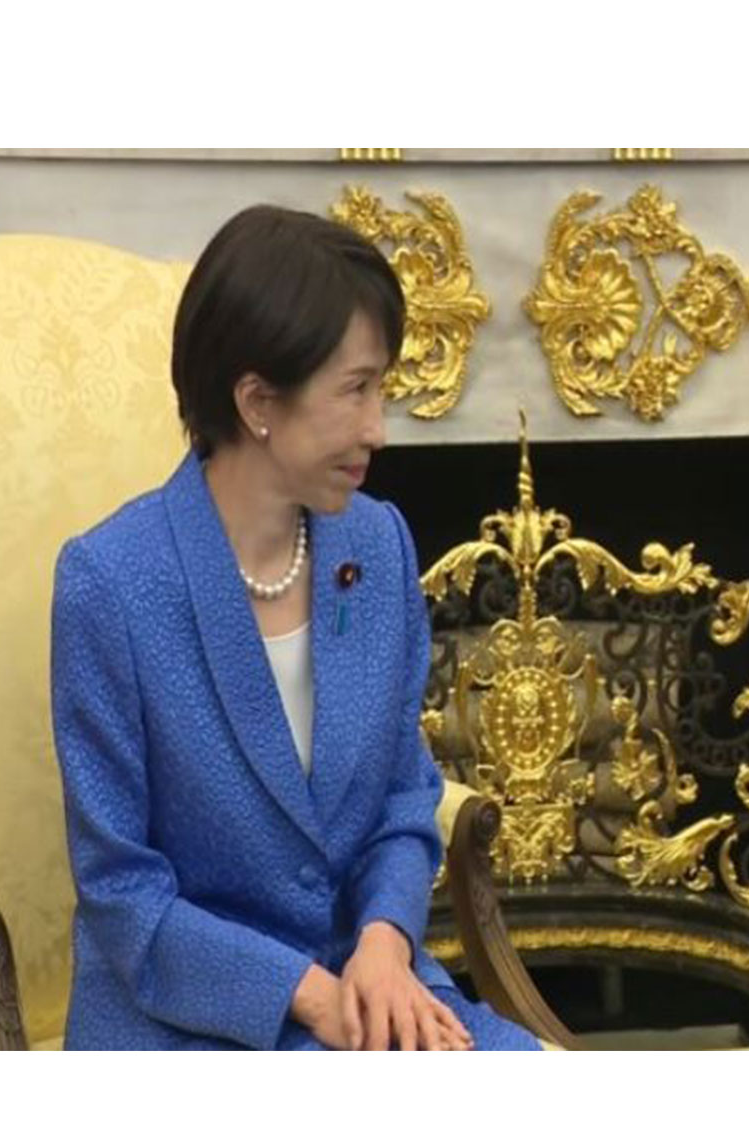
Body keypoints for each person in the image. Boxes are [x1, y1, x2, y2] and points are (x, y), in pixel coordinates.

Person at [51, 205, 540, 1050]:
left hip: (367, 980)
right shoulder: (110, 585)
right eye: (356, 390)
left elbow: (401, 797)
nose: (379, 428)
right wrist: (309, 994)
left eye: (380, 387)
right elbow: (123, 893)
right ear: (256, 402)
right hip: (187, 1017)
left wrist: (386, 942)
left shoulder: (376, 544)